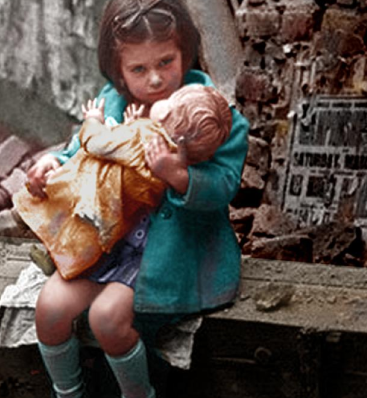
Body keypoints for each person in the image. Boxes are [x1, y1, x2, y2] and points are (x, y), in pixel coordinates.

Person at [23, 0, 249, 398]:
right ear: (117, 70)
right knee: (50, 308)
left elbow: (225, 184)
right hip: (106, 242)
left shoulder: (212, 113)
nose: (155, 79)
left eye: (166, 62)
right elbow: (80, 150)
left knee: (108, 317)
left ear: (186, 52)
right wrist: (50, 166)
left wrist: (178, 175)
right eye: (138, 69)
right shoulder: (112, 102)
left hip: (168, 252)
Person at [14, 82, 233, 280]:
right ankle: (61, 261)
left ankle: (37, 235)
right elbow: (134, 161)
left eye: (170, 102)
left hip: (94, 192)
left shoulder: (144, 138)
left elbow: (96, 143)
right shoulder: (171, 160)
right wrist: (131, 125)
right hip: (118, 212)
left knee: (56, 203)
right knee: (85, 240)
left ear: (167, 116)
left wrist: (93, 120)